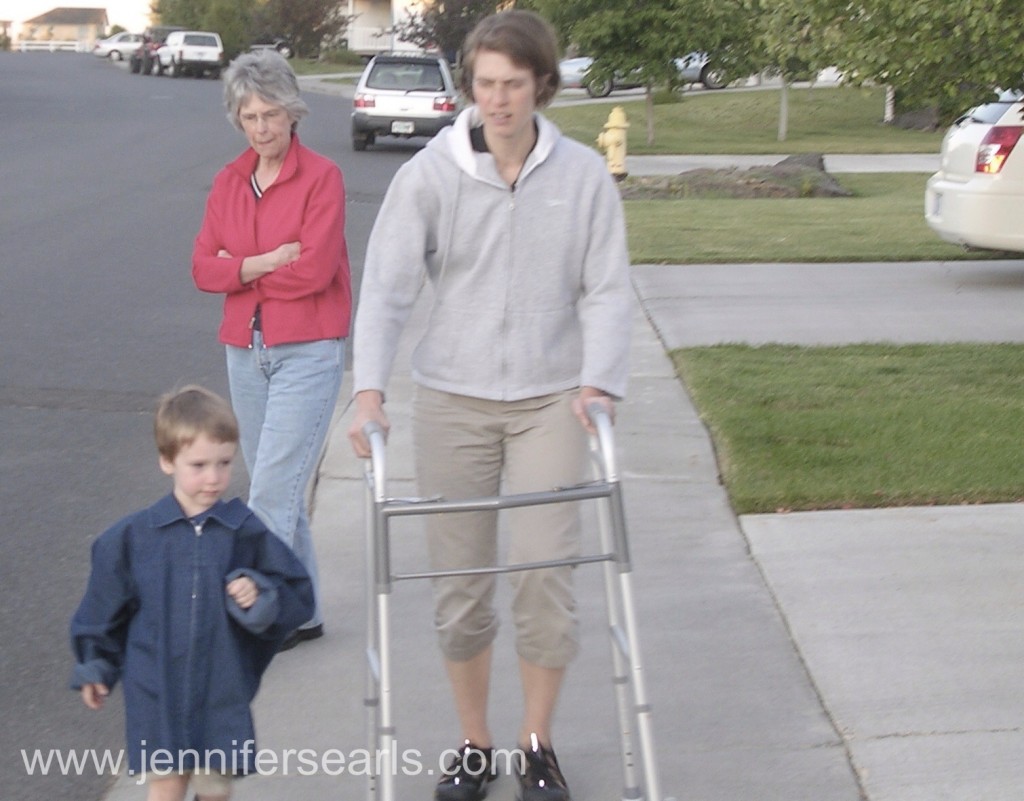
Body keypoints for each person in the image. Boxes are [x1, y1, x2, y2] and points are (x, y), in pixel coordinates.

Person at [347, 10, 632, 801]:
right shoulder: (430, 174)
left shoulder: (578, 177)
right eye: (485, 84)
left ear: (542, 84)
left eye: (513, 84)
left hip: (552, 399)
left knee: (545, 573)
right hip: (452, 399)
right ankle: (474, 745)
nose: (498, 100)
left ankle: (536, 742)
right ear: (468, 85)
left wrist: (600, 378)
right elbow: (387, 290)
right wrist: (369, 390)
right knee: (462, 583)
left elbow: (607, 288)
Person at [70, 386, 314, 801]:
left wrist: (260, 593)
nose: (214, 477)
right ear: (167, 461)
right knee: (164, 787)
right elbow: (104, 608)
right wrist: (95, 665)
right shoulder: (133, 538)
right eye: (198, 465)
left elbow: (296, 594)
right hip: (156, 690)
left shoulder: (245, 532)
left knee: (215, 789)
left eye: (223, 463)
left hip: (221, 688)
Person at [192, 49, 351, 650]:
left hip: (307, 352)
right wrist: (265, 261)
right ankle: (303, 612)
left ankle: (252, 617)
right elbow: (203, 267)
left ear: (293, 112)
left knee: (269, 495)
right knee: (277, 488)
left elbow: (312, 273)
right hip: (246, 352)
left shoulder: (323, 178)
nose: (262, 127)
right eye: (250, 116)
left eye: (272, 114)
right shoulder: (230, 181)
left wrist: (241, 268)